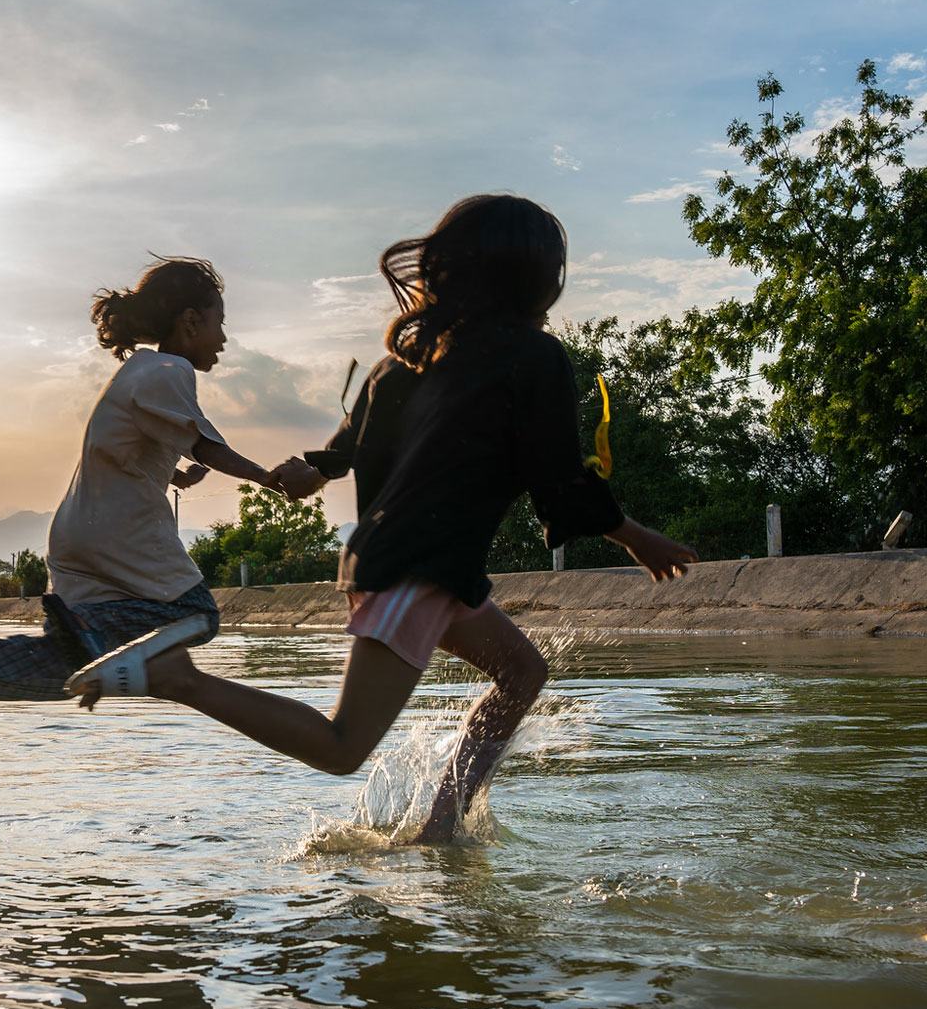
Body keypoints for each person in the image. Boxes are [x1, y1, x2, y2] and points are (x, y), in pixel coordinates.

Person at [70, 195, 697, 842]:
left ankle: (440, 824)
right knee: (342, 745)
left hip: (419, 565)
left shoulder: (407, 361)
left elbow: (352, 442)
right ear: (534, 276)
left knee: (522, 672)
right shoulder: (532, 358)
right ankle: (176, 677)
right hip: (415, 569)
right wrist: (635, 536)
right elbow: (559, 481)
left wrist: (311, 469)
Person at [0, 256, 287, 705]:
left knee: (68, 665)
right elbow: (206, 446)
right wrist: (268, 477)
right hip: (116, 538)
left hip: (78, 538)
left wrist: (177, 476)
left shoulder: (138, 372)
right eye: (221, 323)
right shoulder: (167, 371)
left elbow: (129, 449)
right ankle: (97, 634)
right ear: (191, 321)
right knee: (196, 614)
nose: (224, 338)